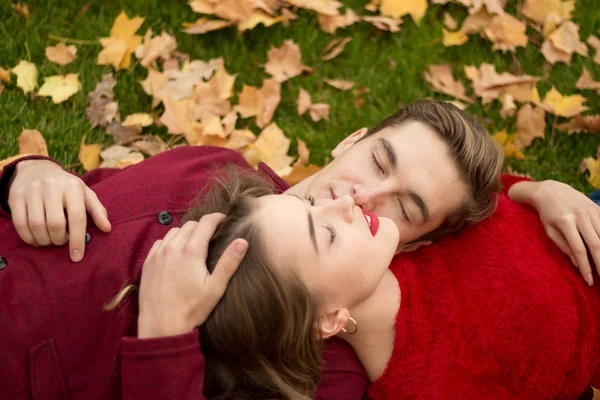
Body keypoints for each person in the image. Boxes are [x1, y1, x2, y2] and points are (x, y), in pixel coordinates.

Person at [1, 100, 599, 398]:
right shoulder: (214, 163)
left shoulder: (317, 367)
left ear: (412, 244)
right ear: (352, 138)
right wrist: (30, 172)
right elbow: (88, 189)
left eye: (405, 208)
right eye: (378, 161)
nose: (364, 193)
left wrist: (164, 339)